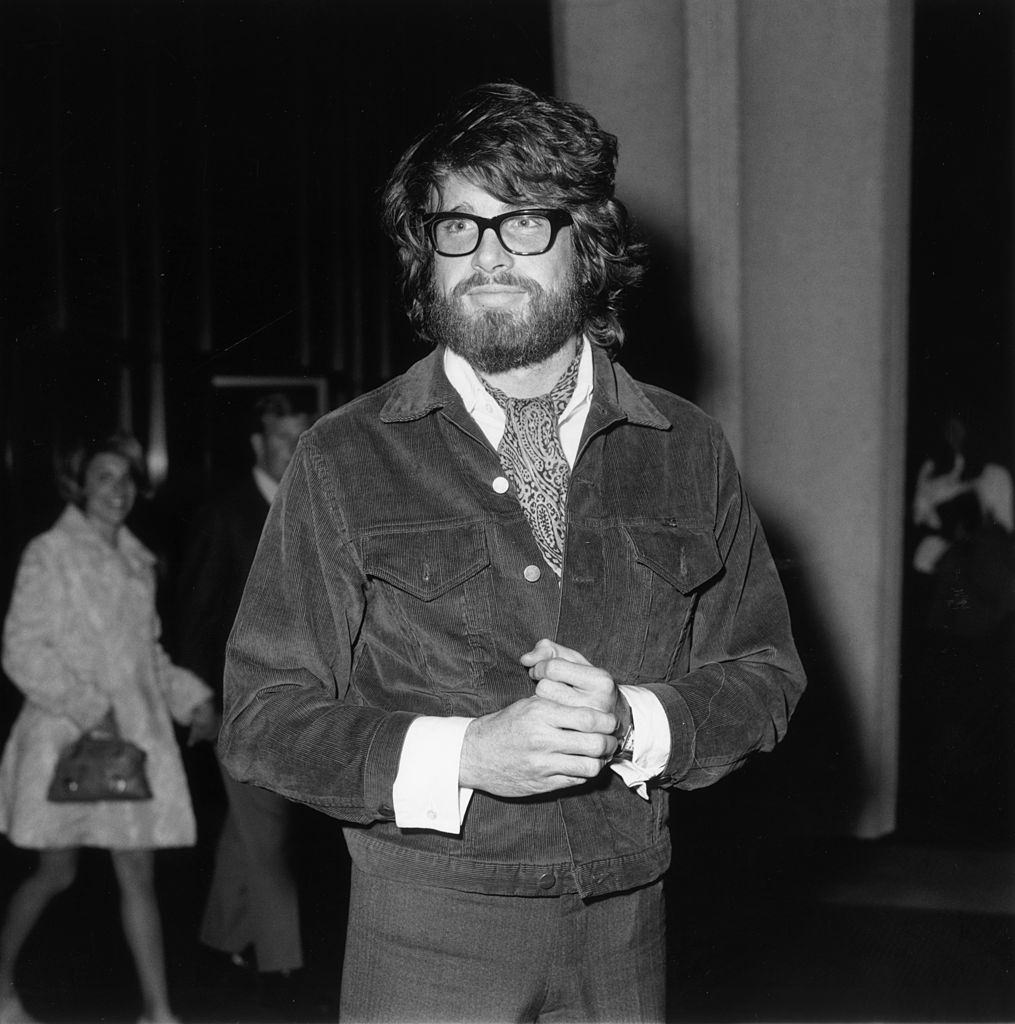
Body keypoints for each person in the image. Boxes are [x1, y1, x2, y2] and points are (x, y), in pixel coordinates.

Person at [218, 81, 807, 1023]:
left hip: (627, 927)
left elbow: (765, 675)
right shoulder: (345, 453)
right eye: (458, 227)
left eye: (522, 223)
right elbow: (261, 715)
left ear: (588, 245)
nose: (487, 256)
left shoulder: (683, 446)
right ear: (427, 253)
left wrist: (632, 724)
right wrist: (465, 755)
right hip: (426, 933)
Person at [0, 432, 217, 1024]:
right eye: (103, 477)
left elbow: (148, 656)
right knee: (56, 872)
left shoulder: (135, 559)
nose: (117, 491)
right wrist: (89, 708)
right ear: (78, 484)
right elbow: (21, 649)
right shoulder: (50, 554)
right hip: (65, 740)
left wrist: (191, 701)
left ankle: (158, 1011)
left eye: (126, 479)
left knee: (137, 872)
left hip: (132, 740)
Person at [175, 394, 309, 1004]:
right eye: (282, 439)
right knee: (267, 832)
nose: (293, 449)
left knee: (247, 829)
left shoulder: (307, 505)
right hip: (239, 706)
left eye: (300, 437)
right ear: (258, 446)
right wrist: (198, 698)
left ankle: (216, 940)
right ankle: (285, 966)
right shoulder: (226, 512)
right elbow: (197, 613)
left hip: (295, 699)